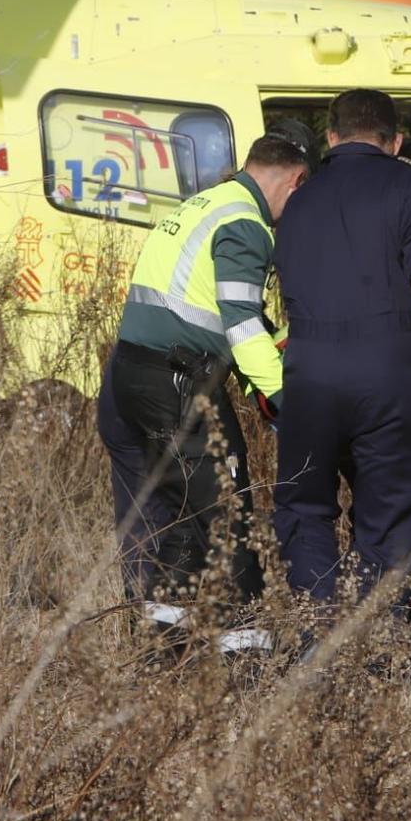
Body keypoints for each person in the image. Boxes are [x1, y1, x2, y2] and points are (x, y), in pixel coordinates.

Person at [271, 89, 411, 604]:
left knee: (304, 507)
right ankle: (373, 637)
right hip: (387, 371)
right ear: (394, 142)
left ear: (330, 137)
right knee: (388, 513)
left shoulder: (299, 199)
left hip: (308, 375)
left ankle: (318, 632)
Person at [99, 131, 312, 651]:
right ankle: (248, 651)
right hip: (176, 378)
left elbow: (216, 310)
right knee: (227, 511)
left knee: (180, 511)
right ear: (297, 179)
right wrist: (291, 400)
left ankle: (161, 643)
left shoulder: (203, 204)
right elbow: (241, 325)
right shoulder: (243, 222)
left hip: (132, 373)